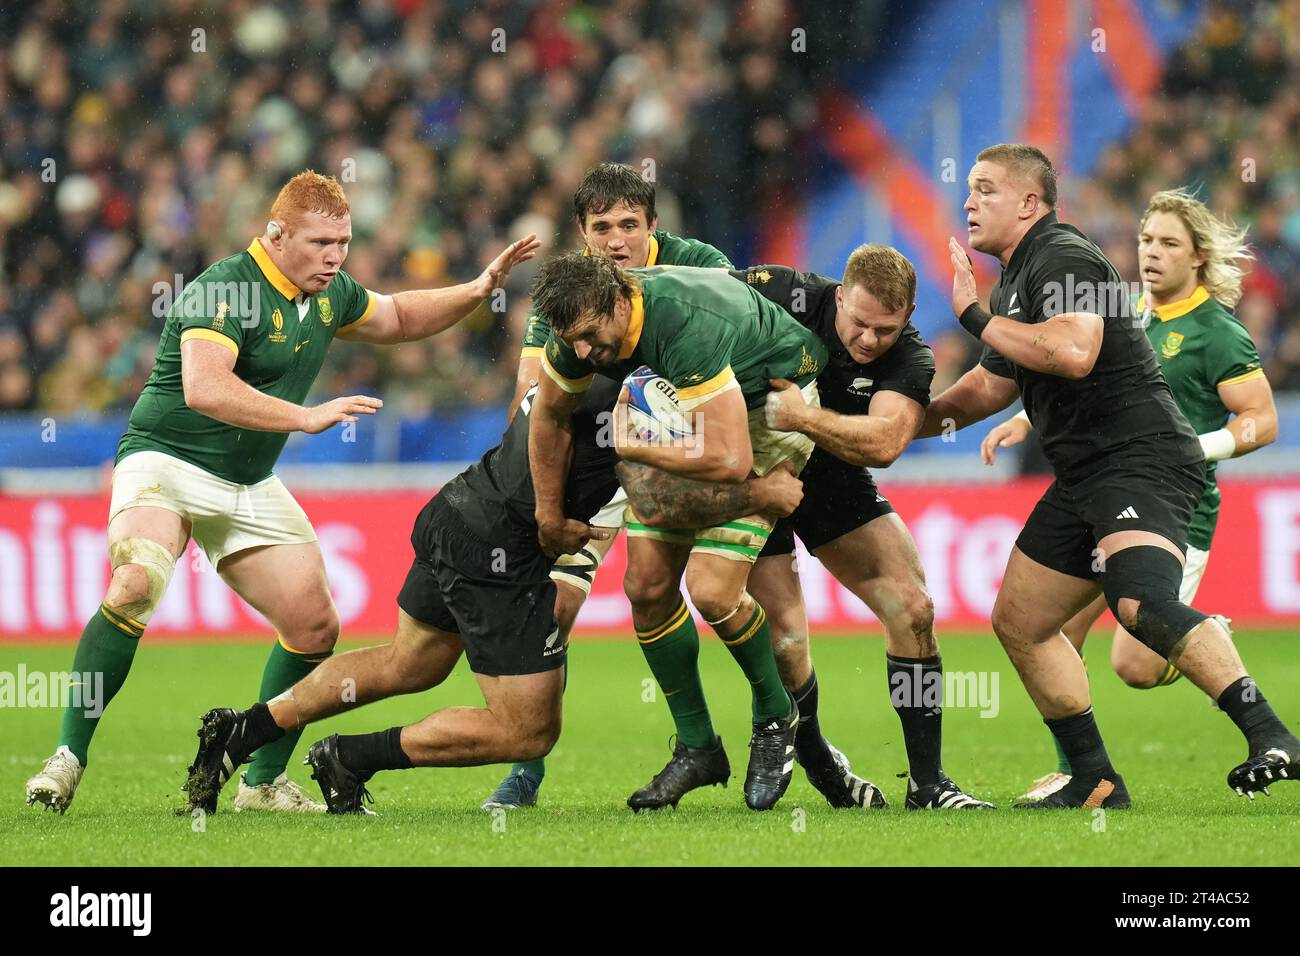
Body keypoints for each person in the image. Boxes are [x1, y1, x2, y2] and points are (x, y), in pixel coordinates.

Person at [25, 170, 539, 814]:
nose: (335, 256)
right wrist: (304, 417)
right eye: (321, 242)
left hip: (245, 480)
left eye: (344, 242)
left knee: (314, 624)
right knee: (135, 583)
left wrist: (478, 288)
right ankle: (67, 758)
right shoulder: (227, 288)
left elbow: (401, 315)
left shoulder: (330, 293)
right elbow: (204, 388)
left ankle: (261, 783)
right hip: (166, 462)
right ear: (277, 234)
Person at [182, 376, 805, 814]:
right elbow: (652, 500)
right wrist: (757, 496)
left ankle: (238, 733)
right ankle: (349, 758)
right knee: (528, 731)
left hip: (456, 511)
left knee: (410, 663)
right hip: (493, 553)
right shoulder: (633, 392)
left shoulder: (566, 367)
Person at [917, 143, 1297, 808]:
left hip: (1141, 460)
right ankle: (1094, 779)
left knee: (1140, 607)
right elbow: (987, 385)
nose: (968, 201)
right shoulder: (1015, 278)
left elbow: (1071, 351)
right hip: (1085, 475)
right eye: (969, 189)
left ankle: (1273, 736)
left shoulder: (1065, 255)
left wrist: (975, 315)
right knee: (1022, 620)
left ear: (1030, 203)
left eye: (985, 190)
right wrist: (900, 425)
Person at [529, 253, 827, 811]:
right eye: (576, 343)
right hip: (690, 410)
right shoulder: (578, 330)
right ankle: (697, 748)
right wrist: (548, 514)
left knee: (713, 590)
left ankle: (772, 714)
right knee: (645, 587)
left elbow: (731, 457)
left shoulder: (684, 321)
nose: (588, 354)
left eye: (594, 337)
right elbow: (548, 415)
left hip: (773, 411)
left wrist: (635, 446)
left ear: (620, 299)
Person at [485, 161, 733, 809]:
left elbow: (739, 348)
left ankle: (784, 734)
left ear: (654, 226)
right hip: (600, 457)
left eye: (630, 225)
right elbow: (530, 395)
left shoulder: (698, 263)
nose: (616, 239)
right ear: (582, 231)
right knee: (555, 608)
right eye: (602, 227)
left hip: (695, 446)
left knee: (742, 594)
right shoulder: (566, 292)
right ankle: (526, 768)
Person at [739, 248, 991, 809]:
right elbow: (696, 313)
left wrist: (801, 416)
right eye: (858, 323)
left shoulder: (911, 356)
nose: (870, 340)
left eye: (886, 329)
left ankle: (928, 785)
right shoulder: (782, 291)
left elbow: (884, 443)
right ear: (839, 296)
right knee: (785, 639)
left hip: (831, 475)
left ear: (906, 318)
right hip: (752, 473)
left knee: (914, 607)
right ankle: (823, 766)